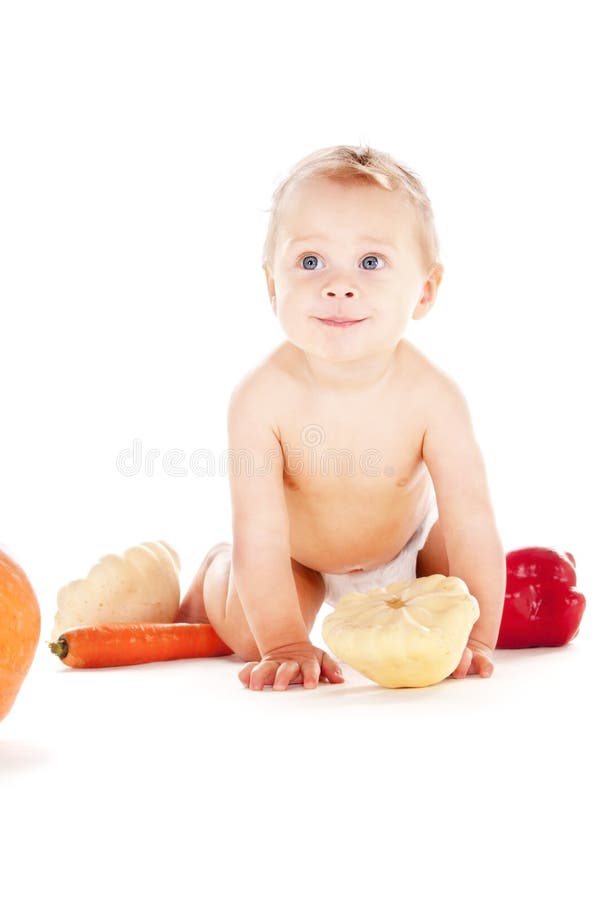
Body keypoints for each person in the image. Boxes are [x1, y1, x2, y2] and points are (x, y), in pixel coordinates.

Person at [176, 145, 506, 691]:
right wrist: (285, 644)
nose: (338, 285)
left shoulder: (434, 396)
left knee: (462, 545)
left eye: (371, 263)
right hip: (299, 559)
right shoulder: (260, 400)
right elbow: (260, 530)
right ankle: (215, 571)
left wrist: (477, 639)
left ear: (424, 292)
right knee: (250, 637)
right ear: (272, 285)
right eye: (311, 262)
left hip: (406, 555)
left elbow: (471, 519)